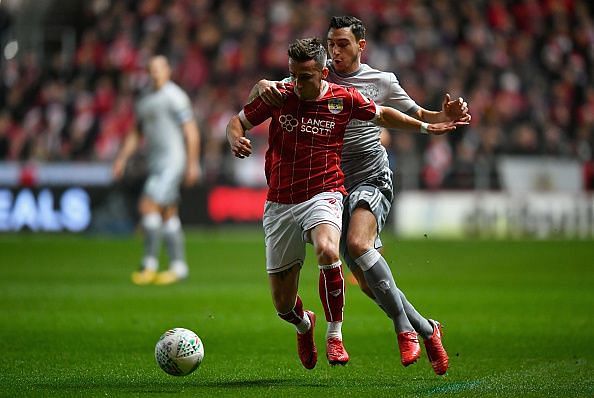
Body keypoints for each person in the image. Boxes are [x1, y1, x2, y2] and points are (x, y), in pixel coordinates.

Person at [228, 37, 465, 370]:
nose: (297, 83)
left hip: (346, 184)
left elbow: (388, 114)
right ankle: (421, 328)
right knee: (320, 296)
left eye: (342, 44)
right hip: (282, 200)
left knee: (340, 248)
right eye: (331, 43)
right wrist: (241, 125)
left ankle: (345, 334)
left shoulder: (371, 85)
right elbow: (239, 117)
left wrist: (431, 124)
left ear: (360, 45)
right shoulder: (282, 92)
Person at [112, 55, 201, 285]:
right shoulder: (144, 99)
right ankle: (179, 267)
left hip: (173, 162)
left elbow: (191, 132)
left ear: (168, 71)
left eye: (159, 68)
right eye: (151, 69)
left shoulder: (175, 97)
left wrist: (192, 164)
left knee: (147, 205)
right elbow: (135, 133)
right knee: (168, 213)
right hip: (155, 164)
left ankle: (148, 265)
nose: (155, 73)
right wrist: (121, 158)